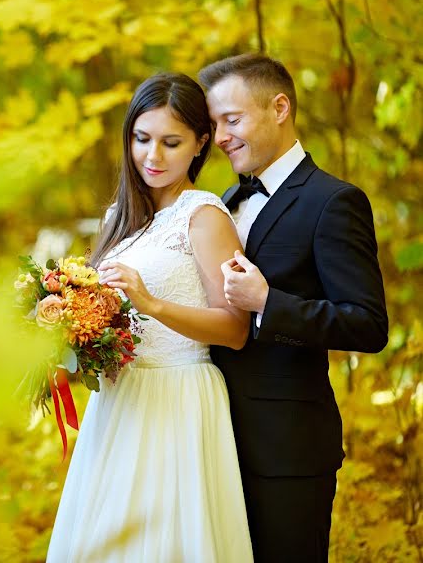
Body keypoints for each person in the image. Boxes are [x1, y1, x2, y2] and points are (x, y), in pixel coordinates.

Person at [46, 72, 254, 562]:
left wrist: (153, 303)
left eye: (171, 142)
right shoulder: (120, 218)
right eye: (142, 139)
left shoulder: (204, 218)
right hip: (120, 403)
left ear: (201, 144)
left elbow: (237, 329)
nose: (153, 157)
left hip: (178, 399)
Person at [199, 53, 389, 562]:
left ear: (279, 107)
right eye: (213, 124)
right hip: (210, 438)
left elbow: (368, 325)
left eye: (231, 120)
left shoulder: (334, 201)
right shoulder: (220, 202)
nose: (219, 136)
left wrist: (268, 303)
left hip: (287, 449)